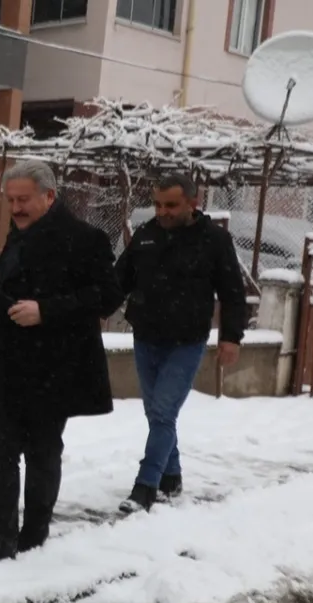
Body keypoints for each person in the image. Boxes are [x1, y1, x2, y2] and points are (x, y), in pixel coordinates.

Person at [0, 161, 122, 570]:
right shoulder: (20, 235)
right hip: (8, 365)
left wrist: (46, 311)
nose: (16, 208)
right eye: (11, 201)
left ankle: (33, 537)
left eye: (24, 199)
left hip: (54, 369)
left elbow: (106, 297)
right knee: (0, 453)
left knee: (43, 453)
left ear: (49, 195)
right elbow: (10, 280)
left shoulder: (86, 239)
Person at [113, 173, 247, 514]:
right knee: (156, 413)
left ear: (193, 202)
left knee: (162, 411)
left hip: (186, 341)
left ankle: (145, 486)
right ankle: (171, 476)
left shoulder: (214, 240)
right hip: (146, 336)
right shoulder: (146, 235)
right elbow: (119, 279)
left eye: (171, 205)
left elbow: (233, 292)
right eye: (158, 205)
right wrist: (91, 307)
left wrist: (231, 337)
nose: (163, 212)